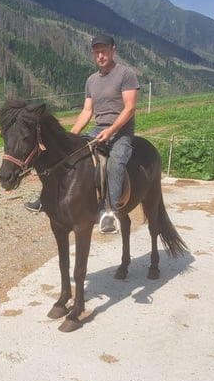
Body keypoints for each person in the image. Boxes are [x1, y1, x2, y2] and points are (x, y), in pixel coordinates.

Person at [25, 33, 140, 234]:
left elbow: (129, 108)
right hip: (98, 129)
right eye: (96, 52)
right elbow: (87, 111)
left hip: (121, 132)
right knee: (65, 155)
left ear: (113, 50)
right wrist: (69, 137)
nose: (100, 56)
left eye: (104, 51)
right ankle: (47, 198)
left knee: (114, 163)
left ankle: (110, 212)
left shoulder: (125, 74)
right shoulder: (91, 80)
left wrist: (111, 130)